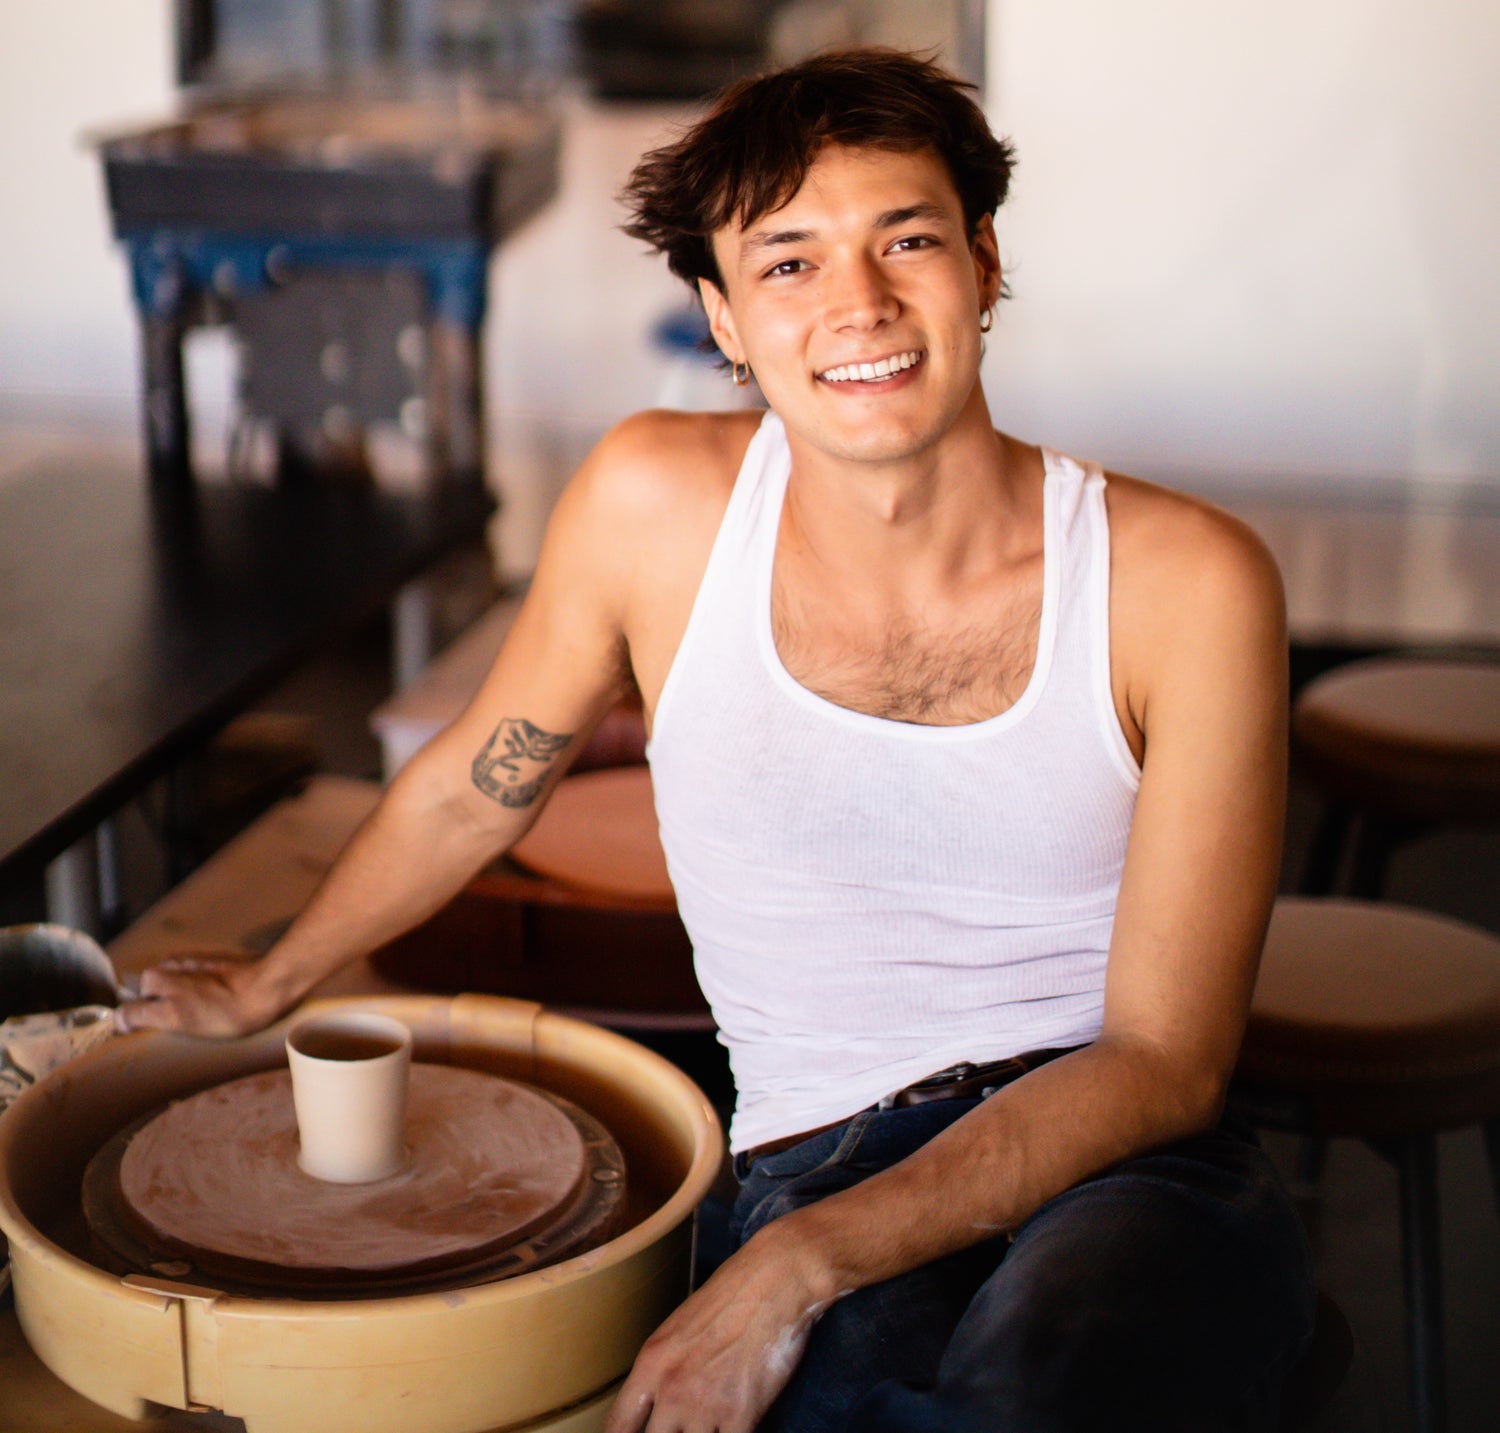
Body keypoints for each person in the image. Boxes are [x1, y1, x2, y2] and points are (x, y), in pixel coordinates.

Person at [121, 48, 1315, 1433]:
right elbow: (474, 787)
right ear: (724, 317)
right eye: (790, 262)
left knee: (1045, 1382)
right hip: (813, 1147)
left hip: (1124, 1160)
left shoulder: (1187, 582)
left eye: (907, 240)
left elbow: (1167, 1059)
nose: (858, 303)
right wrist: (269, 982)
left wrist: (795, 1266)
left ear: (984, 266)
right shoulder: (653, 507)